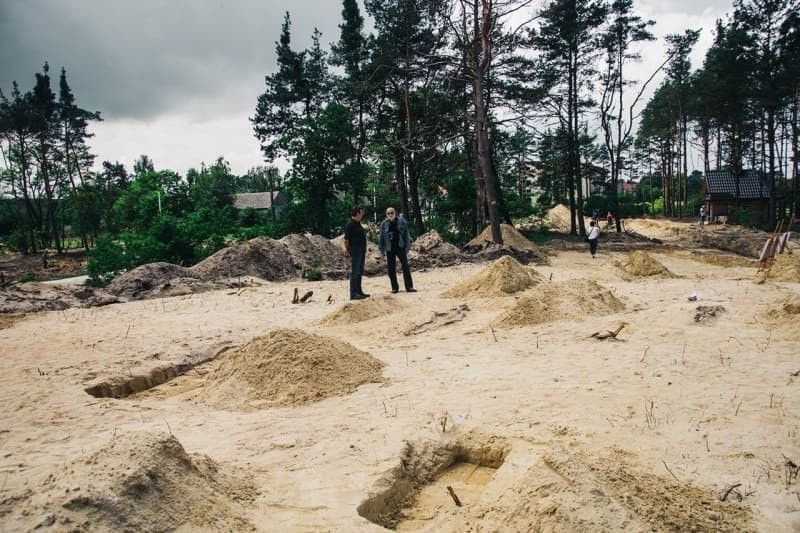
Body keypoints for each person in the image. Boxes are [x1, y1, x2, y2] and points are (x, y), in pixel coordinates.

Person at [378, 207, 416, 294]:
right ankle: (394, 287)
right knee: (391, 268)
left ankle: (409, 287)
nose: (390, 215)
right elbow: (381, 237)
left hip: (400, 246)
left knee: (405, 266)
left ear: (395, 213)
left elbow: (406, 234)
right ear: (386, 214)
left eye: (392, 213)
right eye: (388, 213)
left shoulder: (401, 221)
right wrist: (381, 249)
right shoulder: (384, 224)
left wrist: (407, 246)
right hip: (389, 247)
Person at [343, 205, 370, 300]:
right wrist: (348, 249)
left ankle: (359, 291)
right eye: (362, 212)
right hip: (355, 251)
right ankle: (353, 293)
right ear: (357, 213)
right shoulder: (350, 224)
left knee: (359, 272)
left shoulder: (358, 223)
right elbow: (346, 240)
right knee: (355, 272)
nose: (363, 214)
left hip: (361, 250)